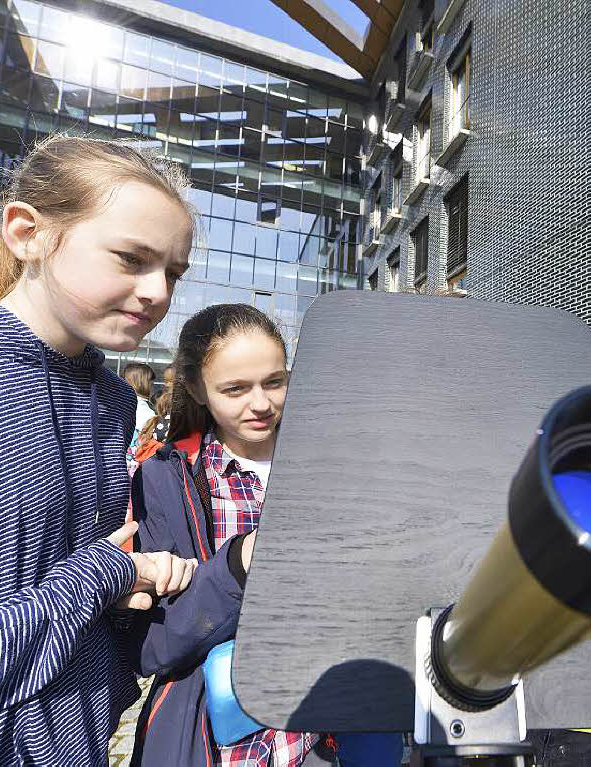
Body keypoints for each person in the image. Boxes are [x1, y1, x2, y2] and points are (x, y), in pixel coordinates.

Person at [0, 135, 199, 763]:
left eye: (173, 273)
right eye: (131, 258)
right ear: (27, 232)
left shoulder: (109, 400)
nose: (158, 292)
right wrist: (105, 575)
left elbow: (70, 617)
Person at [129, 304, 404, 767]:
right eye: (235, 389)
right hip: (223, 743)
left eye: (275, 382)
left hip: (333, 733)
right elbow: (152, 643)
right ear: (196, 386)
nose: (261, 404)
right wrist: (238, 565)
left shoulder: (334, 464)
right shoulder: (164, 478)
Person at [123, 361, 158, 436]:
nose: (153, 384)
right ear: (140, 382)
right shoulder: (140, 406)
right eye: (150, 380)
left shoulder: (126, 402)